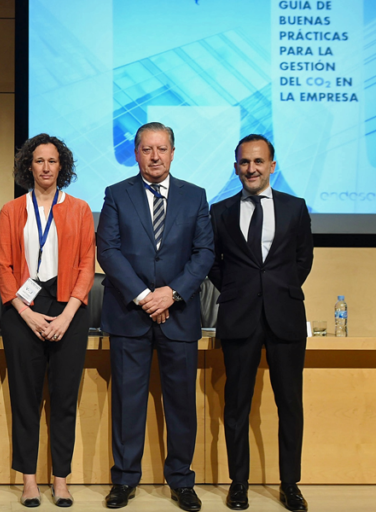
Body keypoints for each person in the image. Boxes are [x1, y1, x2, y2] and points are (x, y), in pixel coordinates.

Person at [96, 122, 213, 511]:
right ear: (137, 153)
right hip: (131, 315)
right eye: (147, 149)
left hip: (178, 315)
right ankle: (124, 480)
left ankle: (181, 480)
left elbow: (204, 253)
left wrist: (172, 294)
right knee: (128, 404)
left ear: (173, 152)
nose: (155, 156)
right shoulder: (117, 194)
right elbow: (108, 251)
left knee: (180, 403)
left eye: (162, 149)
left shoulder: (195, 197)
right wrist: (147, 297)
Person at [208, 134, 314, 512]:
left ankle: (290, 484)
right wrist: (241, 291)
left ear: (272, 165)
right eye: (243, 162)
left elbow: (303, 261)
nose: (250, 169)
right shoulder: (219, 211)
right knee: (236, 404)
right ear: (236, 166)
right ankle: (239, 484)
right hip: (239, 317)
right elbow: (215, 264)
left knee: (290, 404)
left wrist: (276, 291)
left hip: (285, 317)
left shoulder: (295, 208)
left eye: (258, 161)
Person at [0, 134, 95, 508]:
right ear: (28, 166)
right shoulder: (11, 210)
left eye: (53, 161)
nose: (46, 167)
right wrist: (25, 313)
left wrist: (67, 314)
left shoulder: (80, 209)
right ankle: (29, 481)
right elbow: (3, 267)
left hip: (68, 307)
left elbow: (87, 265)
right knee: (25, 398)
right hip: (24, 309)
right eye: (39, 161)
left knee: (64, 400)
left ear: (62, 166)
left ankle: (61, 479)